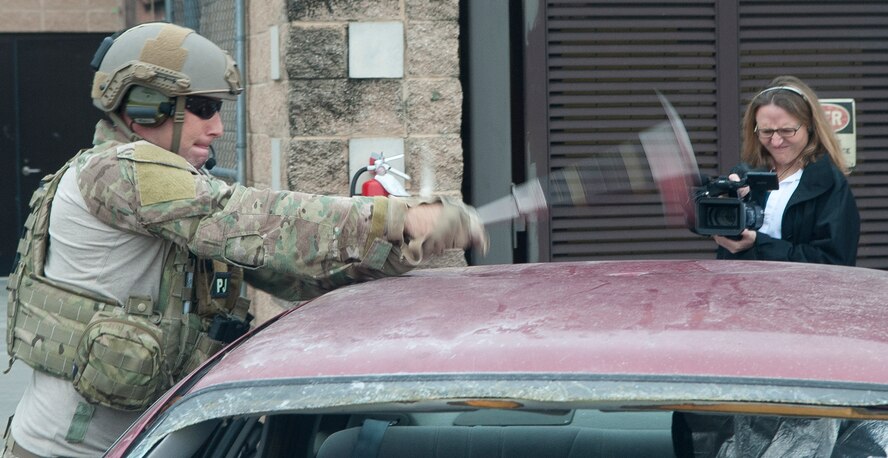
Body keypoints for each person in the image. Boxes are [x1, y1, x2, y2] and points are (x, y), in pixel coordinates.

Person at [2, 22, 486, 457]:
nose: (216, 128)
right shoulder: (116, 172)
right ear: (143, 107)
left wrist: (398, 251)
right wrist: (399, 220)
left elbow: (291, 272)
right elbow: (242, 216)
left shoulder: (170, 195)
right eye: (203, 108)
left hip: (160, 440)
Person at [713, 75, 860, 266]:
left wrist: (758, 243)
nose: (775, 141)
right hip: (741, 291)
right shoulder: (744, 174)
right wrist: (717, 202)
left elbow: (834, 261)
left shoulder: (829, 184)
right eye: (766, 131)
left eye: (787, 130)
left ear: (810, 127)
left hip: (802, 294)